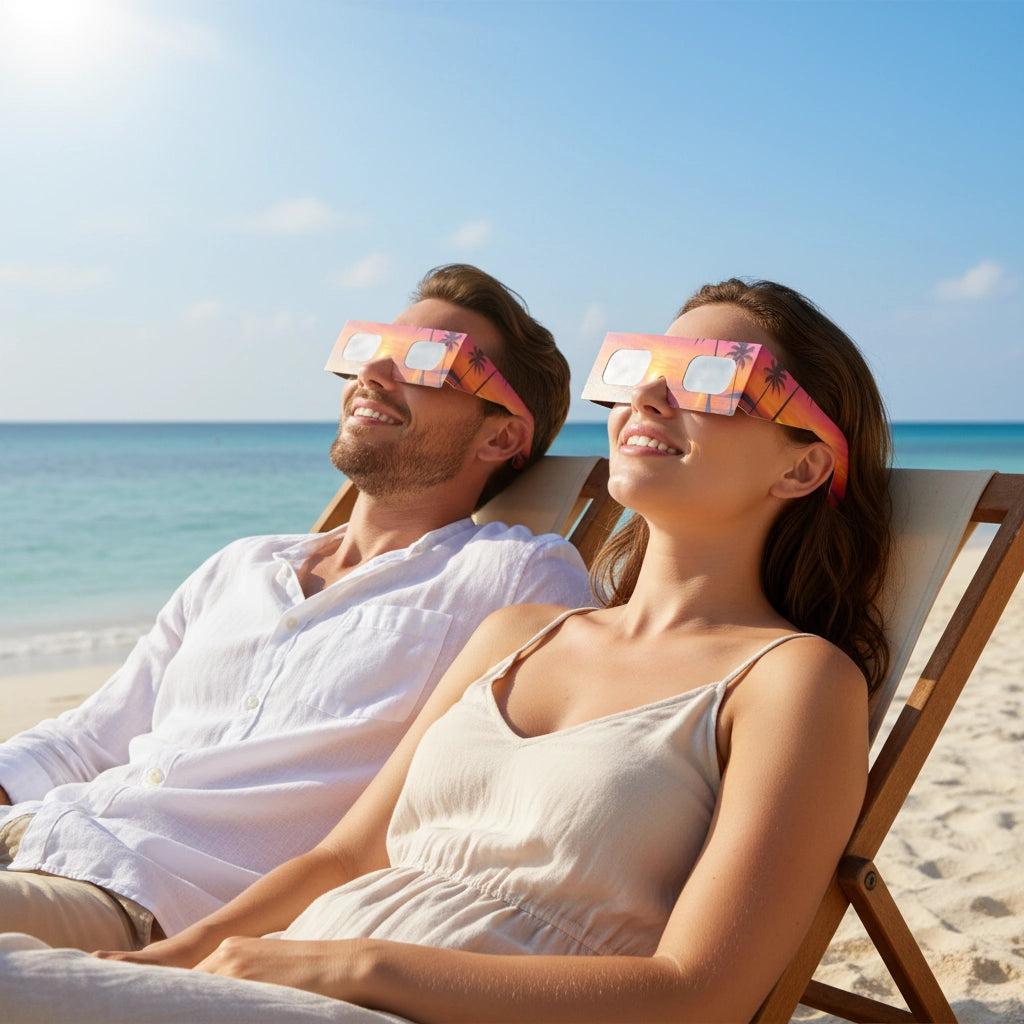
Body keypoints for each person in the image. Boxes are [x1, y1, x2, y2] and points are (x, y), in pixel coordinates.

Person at [0, 278, 893, 1024]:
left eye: (712, 379)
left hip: (381, 997)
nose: (649, 398)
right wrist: (185, 957)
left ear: (803, 466)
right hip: (279, 974)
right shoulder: (518, 636)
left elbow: (701, 995)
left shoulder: (792, 680)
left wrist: (352, 970)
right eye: (642, 369)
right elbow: (346, 859)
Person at [0, 263, 593, 954]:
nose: (374, 372)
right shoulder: (243, 564)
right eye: (372, 349)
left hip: (145, 901)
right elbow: (86, 741)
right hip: (37, 834)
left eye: (426, 359)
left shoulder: (516, 577)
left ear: (499, 437)